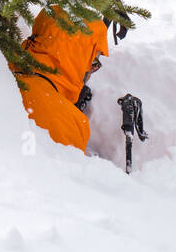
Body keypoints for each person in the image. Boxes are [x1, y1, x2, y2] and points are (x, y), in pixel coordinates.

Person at [11, 8, 115, 152]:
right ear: (76, 60)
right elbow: (75, 173)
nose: (92, 71)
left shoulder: (2, 64)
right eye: (93, 63)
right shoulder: (64, 123)